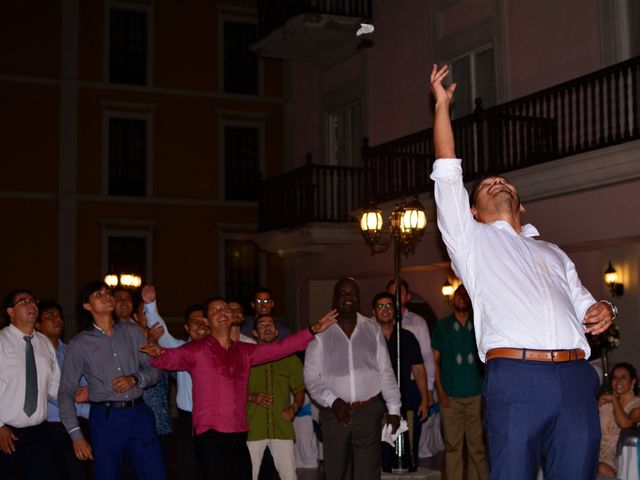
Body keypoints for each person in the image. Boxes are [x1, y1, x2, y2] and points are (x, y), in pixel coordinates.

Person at [429, 64, 615, 479]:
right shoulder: (472, 241)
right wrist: (442, 106)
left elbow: (586, 303)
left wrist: (605, 308)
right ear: (473, 211)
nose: (496, 180)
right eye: (486, 185)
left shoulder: (552, 251)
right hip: (516, 376)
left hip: (574, 378)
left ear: (521, 204)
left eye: (504, 181)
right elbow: (446, 172)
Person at [141, 297, 336, 480]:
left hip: (239, 432)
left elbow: (280, 348)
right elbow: (171, 358)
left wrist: (312, 330)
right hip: (209, 434)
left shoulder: (244, 351)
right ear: (207, 321)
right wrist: (158, 352)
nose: (222, 312)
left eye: (225, 309)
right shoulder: (197, 350)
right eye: (215, 310)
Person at [58, 281, 165, 480]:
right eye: (98, 295)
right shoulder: (79, 343)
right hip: (106, 418)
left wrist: (135, 379)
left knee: (155, 473)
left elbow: (155, 371)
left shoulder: (132, 332)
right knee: (106, 474)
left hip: (139, 414)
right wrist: (76, 435)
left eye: (108, 292)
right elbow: (65, 392)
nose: (107, 296)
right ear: (87, 305)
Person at [304, 277, 402, 480]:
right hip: (335, 413)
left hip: (368, 411)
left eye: (353, 293)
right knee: (336, 472)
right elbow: (311, 378)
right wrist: (333, 400)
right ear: (335, 298)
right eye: (343, 293)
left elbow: (385, 370)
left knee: (368, 474)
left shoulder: (372, 328)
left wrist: (394, 408)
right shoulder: (320, 332)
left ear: (359, 298)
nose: (348, 297)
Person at [143, 286, 208, 480]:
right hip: (188, 421)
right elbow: (161, 333)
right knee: (186, 470)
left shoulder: (219, 351)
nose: (201, 326)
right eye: (195, 322)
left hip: (214, 421)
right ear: (187, 327)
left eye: (204, 321)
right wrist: (150, 305)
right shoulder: (180, 350)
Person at [0, 290, 60, 479]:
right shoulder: (1, 341)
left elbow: (55, 385)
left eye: (34, 301)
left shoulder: (44, 342)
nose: (32, 304)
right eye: (23, 301)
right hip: (5, 432)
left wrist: (77, 395)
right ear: (10, 311)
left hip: (39, 432)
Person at [431, 285, 487, 480]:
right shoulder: (442, 325)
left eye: (465, 295)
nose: (461, 298)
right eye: (458, 295)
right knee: (453, 446)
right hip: (450, 396)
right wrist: (440, 391)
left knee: (477, 448)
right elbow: (434, 362)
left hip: (476, 395)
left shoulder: (480, 324)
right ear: (452, 300)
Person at [371, 292, 430, 471]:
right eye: (380, 306)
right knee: (378, 450)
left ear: (395, 310)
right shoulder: (368, 338)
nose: (385, 310)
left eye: (389, 306)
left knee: (408, 448)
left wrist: (425, 399)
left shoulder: (407, 337)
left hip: (405, 400)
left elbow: (418, 369)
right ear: (373, 312)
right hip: (375, 401)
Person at [35, 300, 91, 480]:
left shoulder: (70, 351)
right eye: (49, 316)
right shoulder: (33, 355)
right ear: (37, 325)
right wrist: (85, 409)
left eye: (58, 315)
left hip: (73, 423)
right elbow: (48, 391)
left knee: (77, 473)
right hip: (47, 426)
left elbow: (84, 383)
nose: (57, 319)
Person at [246, 314, 304, 480]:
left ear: (277, 331)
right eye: (262, 325)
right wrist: (252, 397)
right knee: (250, 475)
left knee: (289, 476)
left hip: (282, 426)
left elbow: (299, 389)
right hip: (253, 428)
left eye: (271, 324)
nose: (267, 327)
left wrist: (294, 408)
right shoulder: (246, 358)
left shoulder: (291, 359)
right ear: (255, 333)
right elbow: (232, 390)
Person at [386, 278, 435, 463]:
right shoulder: (376, 322)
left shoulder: (418, 322)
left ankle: (410, 466)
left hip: (411, 385)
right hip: (385, 387)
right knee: (386, 435)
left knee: (411, 434)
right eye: (391, 294)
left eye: (399, 294)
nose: (395, 298)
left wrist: (428, 390)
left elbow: (425, 358)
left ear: (407, 297)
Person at [597, 362, 640, 477]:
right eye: (615, 378)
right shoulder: (606, 402)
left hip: (620, 457)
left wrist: (614, 400)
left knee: (601, 468)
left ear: (633, 381)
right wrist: (595, 407)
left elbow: (625, 424)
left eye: (623, 377)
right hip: (596, 452)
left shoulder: (637, 406)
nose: (618, 381)